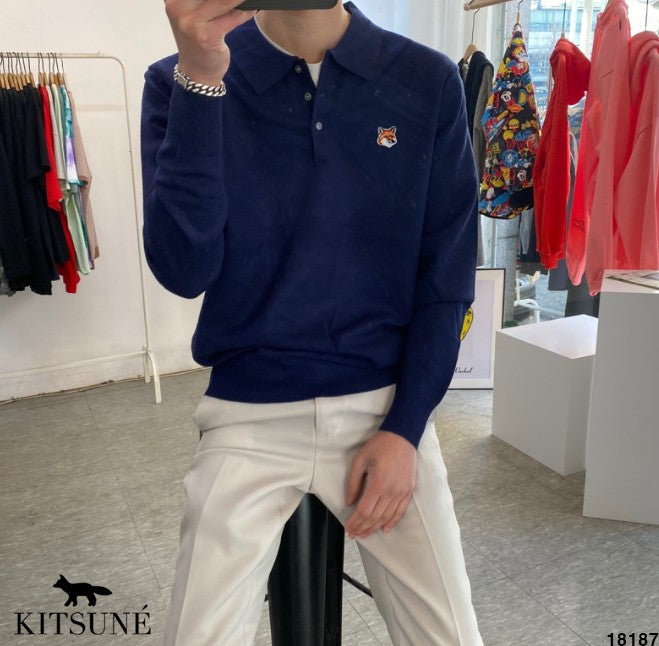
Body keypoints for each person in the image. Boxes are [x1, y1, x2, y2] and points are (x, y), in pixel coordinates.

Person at [140, 0, 483, 644]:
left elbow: (446, 283)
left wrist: (406, 430)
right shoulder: (180, 79)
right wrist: (202, 80)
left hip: (385, 407)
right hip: (248, 415)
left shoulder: (426, 79)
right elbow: (183, 269)